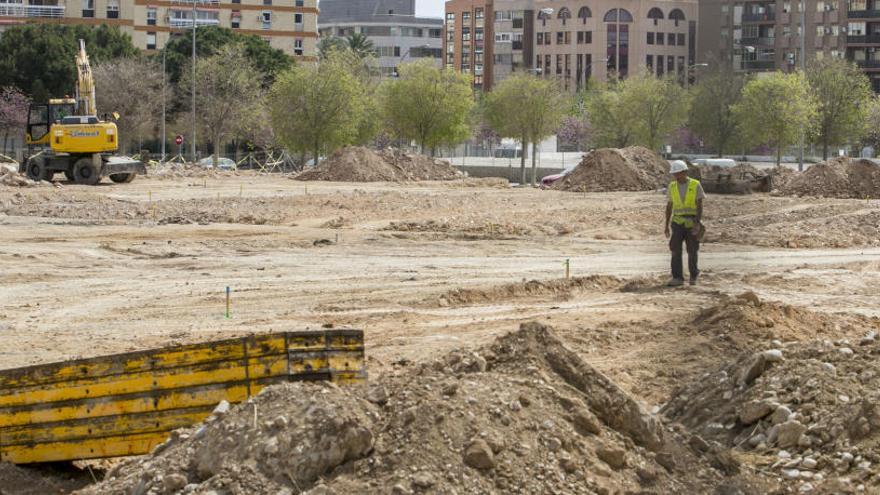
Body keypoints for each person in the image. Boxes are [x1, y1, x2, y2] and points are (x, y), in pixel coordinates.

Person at [664, 160, 704, 287]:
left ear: (685, 172)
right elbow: (669, 206)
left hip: (691, 222)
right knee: (675, 250)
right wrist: (666, 225)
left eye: (678, 173)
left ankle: (693, 275)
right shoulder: (672, 186)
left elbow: (700, 204)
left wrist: (697, 223)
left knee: (692, 250)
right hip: (677, 222)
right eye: (674, 174)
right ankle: (677, 277)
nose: (676, 176)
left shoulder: (695, 184)